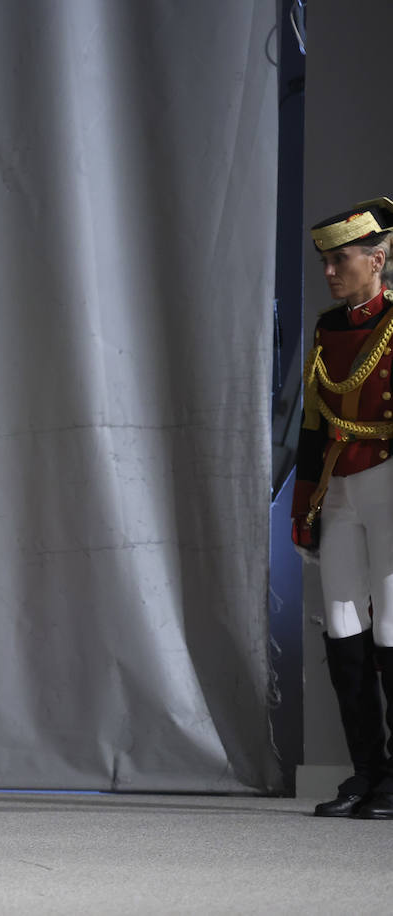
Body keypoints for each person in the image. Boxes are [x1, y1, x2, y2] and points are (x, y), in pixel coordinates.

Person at [293, 197, 393, 821]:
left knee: (391, 625)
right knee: (341, 623)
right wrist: (305, 502)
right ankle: (367, 771)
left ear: (377, 259)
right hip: (340, 480)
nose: (330, 271)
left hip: (388, 478)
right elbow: (313, 421)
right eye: (327, 261)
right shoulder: (329, 327)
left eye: (341, 259)